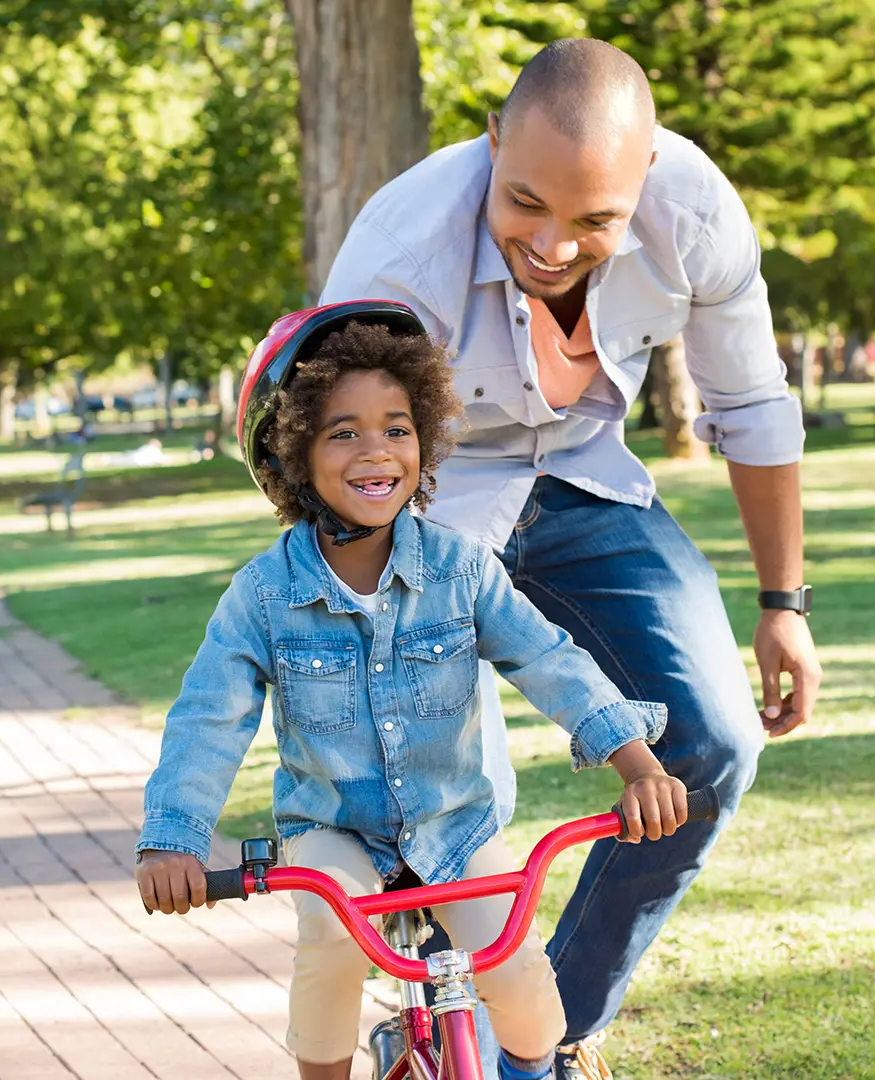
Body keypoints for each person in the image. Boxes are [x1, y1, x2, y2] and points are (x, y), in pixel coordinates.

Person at [317, 39, 824, 1078]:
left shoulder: (697, 216)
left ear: (644, 179)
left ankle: (547, 1037)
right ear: (493, 141)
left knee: (716, 743)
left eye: (594, 221)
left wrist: (784, 603)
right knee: (450, 794)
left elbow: (752, 406)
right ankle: (441, 1014)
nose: (551, 245)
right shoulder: (396, 257)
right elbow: (339, 458)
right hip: (427, 492)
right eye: (525, 204)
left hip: (587, 475)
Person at [134, 301, 688, 1080]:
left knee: (517, 968)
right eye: (343, 431)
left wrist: (638, 764)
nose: (376, 451)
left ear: (424, 438)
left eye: (397, 427)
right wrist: (174, 840)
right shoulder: (263, 597)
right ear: (292, 455)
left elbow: (548, 659)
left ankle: (531, 1071)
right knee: (329, 938)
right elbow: (208, 720)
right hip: (333, 832)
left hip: (453, 822)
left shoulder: (460, 571)